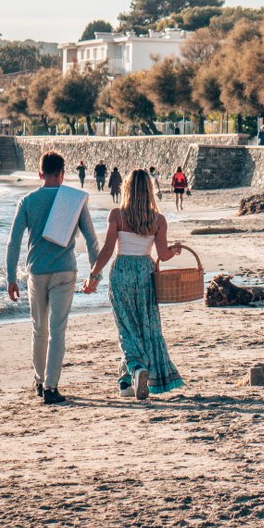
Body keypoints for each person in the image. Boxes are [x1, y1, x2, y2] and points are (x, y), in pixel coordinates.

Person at [6, 152, 99, 405]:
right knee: (58, 331)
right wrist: (95, 273)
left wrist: (11, 277)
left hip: (36, 271)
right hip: (65, 271)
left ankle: (38, 380)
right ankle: (50, 387)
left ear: (40, 174)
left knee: (39, 329)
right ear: (62, 173)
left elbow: (14, 241)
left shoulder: (27, 201)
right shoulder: (74, 200)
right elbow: (91, 239)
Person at [83, 169, 184, 400]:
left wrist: (93, 275)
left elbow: (108, 250)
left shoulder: (117, 215)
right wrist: (175, 250)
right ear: (149, 190)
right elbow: (163, 254)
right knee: (143, 327)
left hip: (121, 272)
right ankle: (126, 382)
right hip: (145, 273)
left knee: (126, 327)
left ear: (126, 189)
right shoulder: (158, 220)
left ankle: (136, 370)